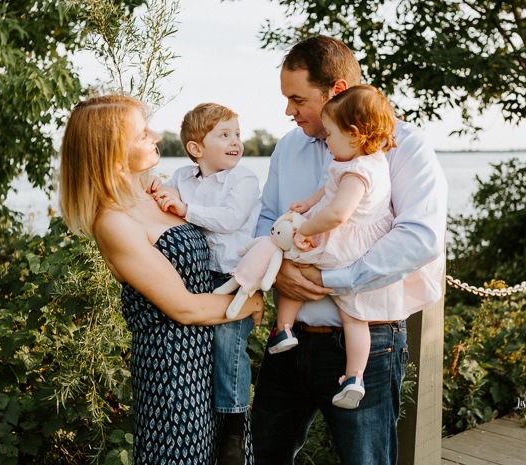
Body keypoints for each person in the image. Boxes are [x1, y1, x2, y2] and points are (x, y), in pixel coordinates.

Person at [251, 36, 447, 465]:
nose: (288, 112)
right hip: (288, 341)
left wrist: (331, 280)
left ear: (336, 91)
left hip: (368, 342)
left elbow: (420, 237)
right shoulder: (288, 147)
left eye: (297, 99)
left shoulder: (403, 146)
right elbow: (266, 219)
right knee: (261, 456)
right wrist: (278, 271)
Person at [58, 94, 263, 465]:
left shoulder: (163, 194)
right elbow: (183, 308)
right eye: (141, 133)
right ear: (112, 149)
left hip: (211, 359)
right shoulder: (115, 222)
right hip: (173, 371)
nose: (154, 135)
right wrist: (251, 301)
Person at [268, 84, 406, 410]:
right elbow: (325, 193)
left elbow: (336, 213)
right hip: (359, 250)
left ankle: (283, 328)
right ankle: (354, 377)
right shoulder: (366, 161)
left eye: (329, 134)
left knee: (292, 262)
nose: (326, 141)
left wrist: (304, 229)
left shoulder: (356, 171)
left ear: (355, 134)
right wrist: (307, 203)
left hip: (341, 244)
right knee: (354, 316)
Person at [150, 103, 261, 464]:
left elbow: (229, 220)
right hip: (199, 277)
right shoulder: (183, 176)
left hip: (235, 276)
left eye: (237, 135)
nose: (236, 142)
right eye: (224, 135)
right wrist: (153, 185)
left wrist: (186, 211)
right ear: (197, 149)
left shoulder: (242, 179)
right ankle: (206, 417)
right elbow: (160, 192)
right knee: (202, 349)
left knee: (229, 345)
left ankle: (233, 423)